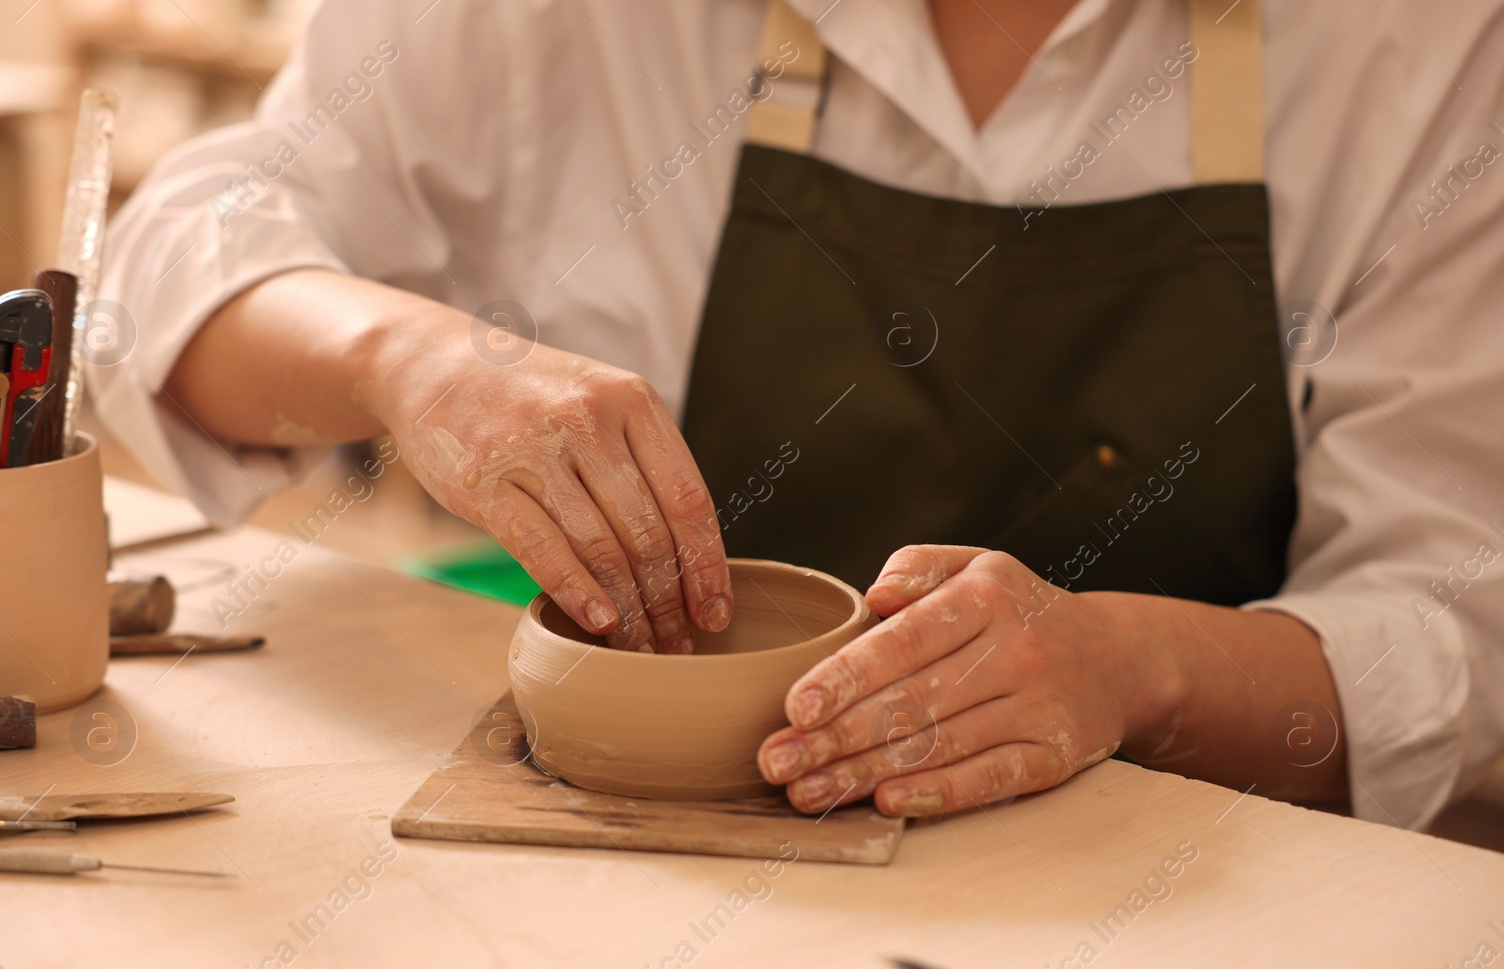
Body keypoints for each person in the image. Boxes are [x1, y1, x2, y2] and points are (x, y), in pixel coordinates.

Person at [96, 0, 1504, 831]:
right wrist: (410, 360)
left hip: (1189, 914)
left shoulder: (1423, 42)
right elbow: (180, 245)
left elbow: (1456, 618)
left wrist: (1140, 669)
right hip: (654, 876)